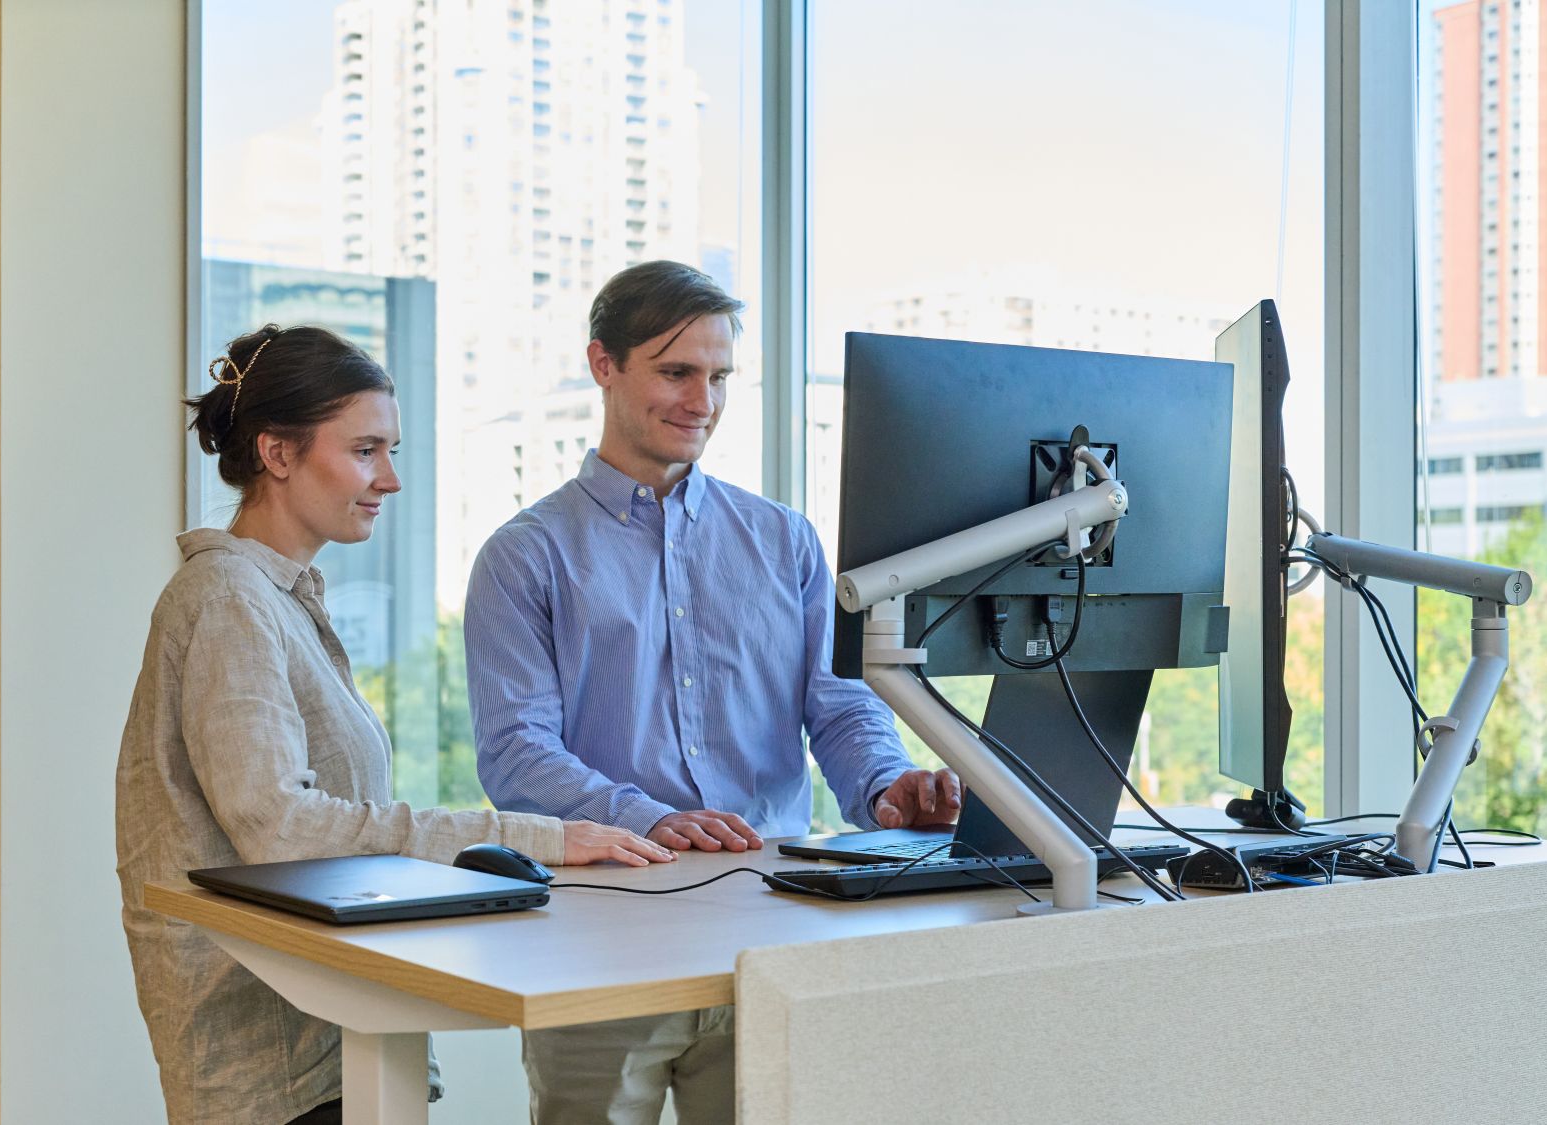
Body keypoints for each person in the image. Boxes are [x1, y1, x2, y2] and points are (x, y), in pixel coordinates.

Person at [117, 324, 674, 1125]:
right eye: (368, 450)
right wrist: (534, 834)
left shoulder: (278, 599)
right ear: (278, 454)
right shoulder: (229, 600)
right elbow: (284, 827)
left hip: (320, 1035)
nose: (391, 479)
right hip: (268, 1057)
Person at [464, 261, 960, 1124]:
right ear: (602, 364)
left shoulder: (785, 541)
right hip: (601, 941)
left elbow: (839, 706)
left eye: (719, 375)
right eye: (675, 370)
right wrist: (643, 814)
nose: (702, 399)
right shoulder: (526, 554)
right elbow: (514, 752)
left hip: (775, 934)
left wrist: (886, 788)